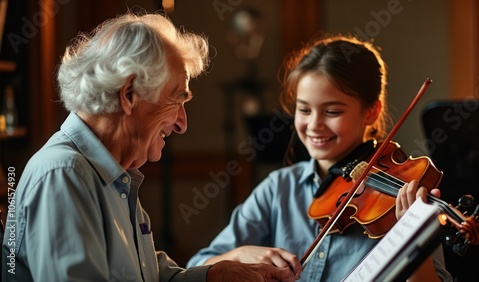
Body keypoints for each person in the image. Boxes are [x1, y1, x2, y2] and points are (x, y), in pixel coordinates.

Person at [1, 12, 296, 282]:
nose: (182, 123)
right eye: (177, 100)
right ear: (129, 94)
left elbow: (150, 277)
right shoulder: (65, 174)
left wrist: (215, 276)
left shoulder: (114, 172)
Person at [187, 34, 453, 282]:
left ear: (371, 112)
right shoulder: (278, 189)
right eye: (304, 110)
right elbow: (196, 267)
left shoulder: (401, 194)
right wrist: (238, 255)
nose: (314, 125)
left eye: (332, 112)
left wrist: (411, 234)